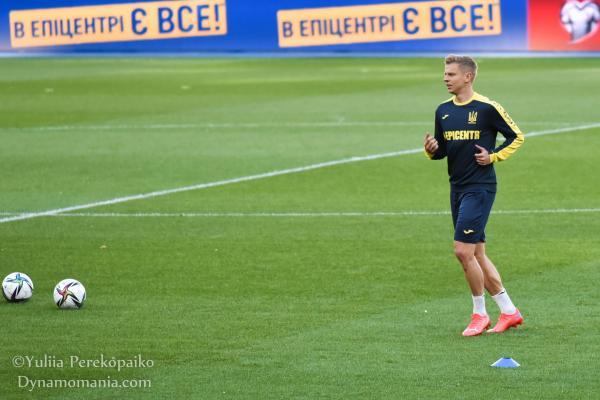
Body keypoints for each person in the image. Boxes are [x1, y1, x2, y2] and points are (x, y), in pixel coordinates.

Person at [424, 55, 525, 337]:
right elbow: (443, 150)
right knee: (477, 254)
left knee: (463, 251)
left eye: (451, 74)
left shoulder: (487, 108)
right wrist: (432, 150)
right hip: (456, 187)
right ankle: (509, 311)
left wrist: (493, 156)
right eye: (445, 74)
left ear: (468, 77)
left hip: (479, 188)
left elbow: (517, 136)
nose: (445, 78)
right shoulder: (443, 110)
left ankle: (479, 314)